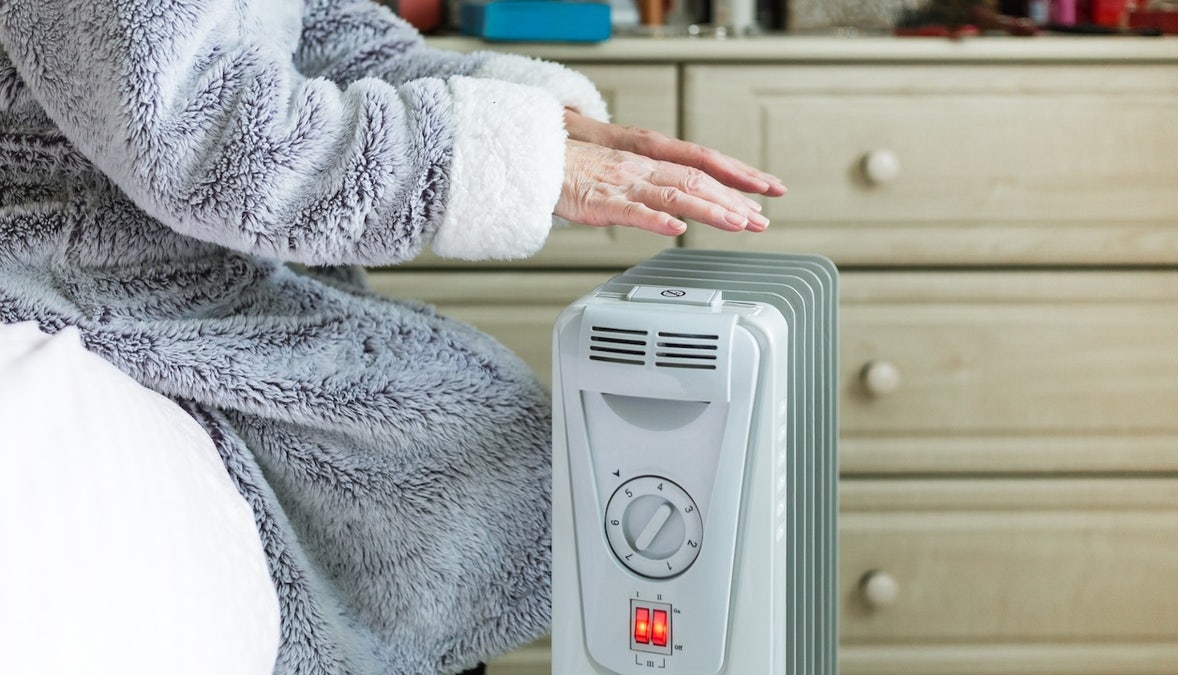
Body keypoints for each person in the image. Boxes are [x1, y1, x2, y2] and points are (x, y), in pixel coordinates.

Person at [0, 0, 785, 673]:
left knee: (479, 429)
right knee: (458, 446)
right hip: (78, 274)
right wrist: (493, 156)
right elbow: (211, 136)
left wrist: (540, 121)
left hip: (192, 269)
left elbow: (321, 29)